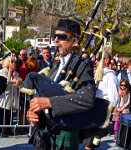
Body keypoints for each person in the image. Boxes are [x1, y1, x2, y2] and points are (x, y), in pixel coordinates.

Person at [26, 19, 96, 150]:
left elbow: (87, 98)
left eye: (62, 36)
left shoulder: (82, 65)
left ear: (74, 41)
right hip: (45, 133)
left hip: (64, 134)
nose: (56, 40)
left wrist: (49, 102)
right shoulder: (56, 65)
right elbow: (44, 95)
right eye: (55, 36)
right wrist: (34, 111)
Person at [80, 51, 119, 150]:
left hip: (100, 112)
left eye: (98, 60)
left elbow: (113, 98)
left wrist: (107, 118)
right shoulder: (98, 74)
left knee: (90, 142)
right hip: (92, 109)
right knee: (87, 140)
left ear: (106, 60)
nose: (95, 62)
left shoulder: (110, 76)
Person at [0, 57, 22, 137]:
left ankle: (8, 129)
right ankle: (2, 130)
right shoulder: (2, 71)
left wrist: (19, 82)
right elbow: (5, 82)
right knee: (3, 114)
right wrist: (12, 79)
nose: (14, 64)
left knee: (10, 114)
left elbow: (18, 84)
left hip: (12, 96)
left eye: (14, 62)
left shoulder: (16, 73)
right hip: (4, 96)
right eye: (12, 62)